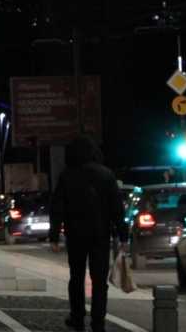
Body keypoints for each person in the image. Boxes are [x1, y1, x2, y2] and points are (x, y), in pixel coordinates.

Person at [48, 136, 128, 332]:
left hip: (75, 235)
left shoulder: (67, 176)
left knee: (76, 278)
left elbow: (57, 207)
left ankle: (77, 317)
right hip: (100, 235)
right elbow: (117, 208)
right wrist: (123, 234)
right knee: (99, 281)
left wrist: (54, 235)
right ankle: (97, 322)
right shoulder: (106, 175)